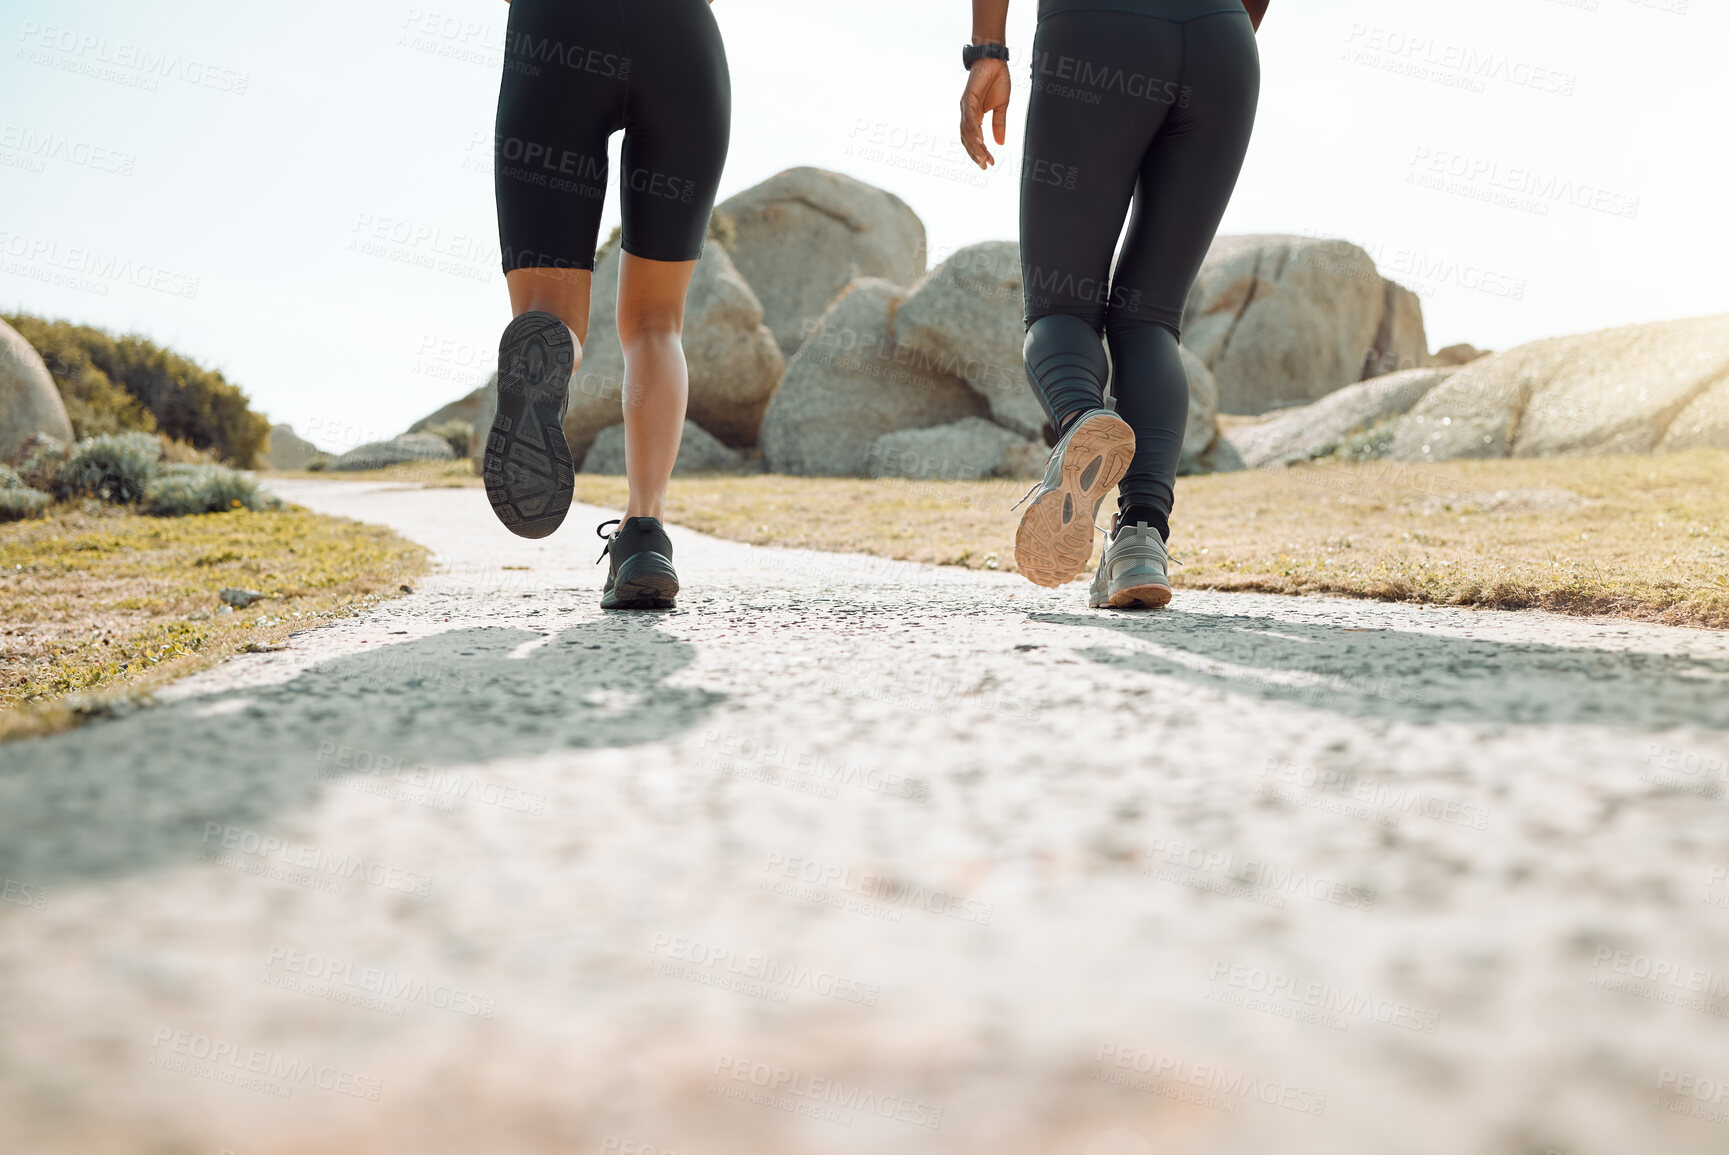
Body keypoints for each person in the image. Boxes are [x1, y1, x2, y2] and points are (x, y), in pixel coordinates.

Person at [960, 0, 1266, 607]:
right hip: (1223, 46)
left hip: (1096, 31)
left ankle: (1082, 421)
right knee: (1150, 319)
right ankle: (1139, 541)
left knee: (1061, 305)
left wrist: (987, 52)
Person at [482, 0, 730, 611]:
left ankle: (549, 354)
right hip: (682, 43)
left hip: (555, 36)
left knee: (549, 313)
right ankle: (644, 533)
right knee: (656, 324)